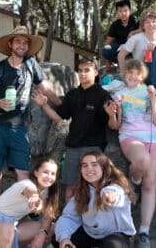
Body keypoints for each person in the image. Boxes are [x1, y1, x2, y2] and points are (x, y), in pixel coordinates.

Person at [0, 25, 61, 200]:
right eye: (18, 41)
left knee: (22, 168)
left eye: (25, 43)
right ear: (10, 44)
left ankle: (26, 205)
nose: (22, 45)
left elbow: (45, 87)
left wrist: (62, 104)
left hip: (19, 127)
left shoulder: (31, 64)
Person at [32, 58, 118, 203]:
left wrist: (112, 115)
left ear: (95, 72)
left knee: (94, 187)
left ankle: (91, 223)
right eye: (80, 70)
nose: (83, 74)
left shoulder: (102, 95)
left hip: (94, 149)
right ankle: (68, 222)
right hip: (72, 148)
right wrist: (44, 105)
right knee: (70, 187)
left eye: (87, 70)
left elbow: (112, 126)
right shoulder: (72, 95)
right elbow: (59, 118)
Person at [108, 59, 156, 248]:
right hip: (130, 136)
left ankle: (144, 232)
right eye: (129, 72)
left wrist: (154, 99)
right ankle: (135, 180)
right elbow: (118, 123)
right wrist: (119, 107)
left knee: (150, 185)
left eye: (137, 73)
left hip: (155, 139)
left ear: (142, 75)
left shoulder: (151, 91)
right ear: (125, 74)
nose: (133, 76)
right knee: (142, 161)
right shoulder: (120, 93)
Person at [52, 151, 136, 248]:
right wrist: (64, 238)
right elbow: (69, 217)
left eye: (94, 164)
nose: (89, 169)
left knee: (111, 245)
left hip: (116, 235)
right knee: (58, 239)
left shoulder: (116, 186)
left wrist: (110, 196)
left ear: (104, 168)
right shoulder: (81, 191)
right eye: (85, 165)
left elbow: (115, 193)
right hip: (91, 234)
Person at [0, 156, 59, 248]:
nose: (49, 177)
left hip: (10, 227)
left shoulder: (46, 191)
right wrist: (34, 196)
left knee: (50, 228)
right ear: (36, 173)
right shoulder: (26, 184)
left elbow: (48, 216)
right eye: (45, 172)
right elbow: (29, 190)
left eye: (53, 174)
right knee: (7, 230)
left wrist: (42, 236)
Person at [102, 0, 140, 68]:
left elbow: (143, 29)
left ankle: (129, 61)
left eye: (125, 11)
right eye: (120, 11)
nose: (123, 14)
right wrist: (108, 62)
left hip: (134, 47)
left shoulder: (135, 21)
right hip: (119, 47)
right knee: (105, 50)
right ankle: (120, 62)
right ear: (117, 12)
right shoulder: (115, 25)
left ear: (130, 11)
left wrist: (132, 32)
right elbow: (108, 42)